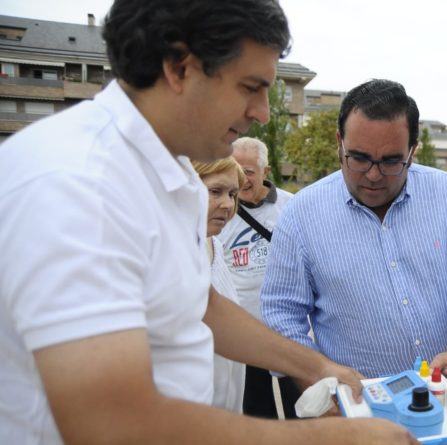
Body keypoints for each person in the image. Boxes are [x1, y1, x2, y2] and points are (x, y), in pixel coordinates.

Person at [0, 0, 418, 443]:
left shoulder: (171, 171)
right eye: (251, 87)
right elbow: (110, 423)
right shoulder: (78, 184)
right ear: (180, 68)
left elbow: (198, 303)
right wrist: (334, 438)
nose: (262, 112)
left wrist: (314, 365)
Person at [260, 79, 447, 417]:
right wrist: (321, 387)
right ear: (339, 142)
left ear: (413, 150)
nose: (374, 175)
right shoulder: (301, 215)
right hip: (357, 404)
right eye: (359, 158)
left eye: (392, 161)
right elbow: (281, 316)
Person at [219, 137, 300, 418]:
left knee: (301, 408)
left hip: (289, 331)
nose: (241, 178)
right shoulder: (221, 212)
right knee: (255, 410)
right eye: (235, 169)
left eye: (249, 171)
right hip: (246, 335)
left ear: (266, 172)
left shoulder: (292, 206)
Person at [192, 157, 248, 412]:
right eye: (215, 191)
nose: (228, 204)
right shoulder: (170, 253)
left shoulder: (215, 245)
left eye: (233, 194)